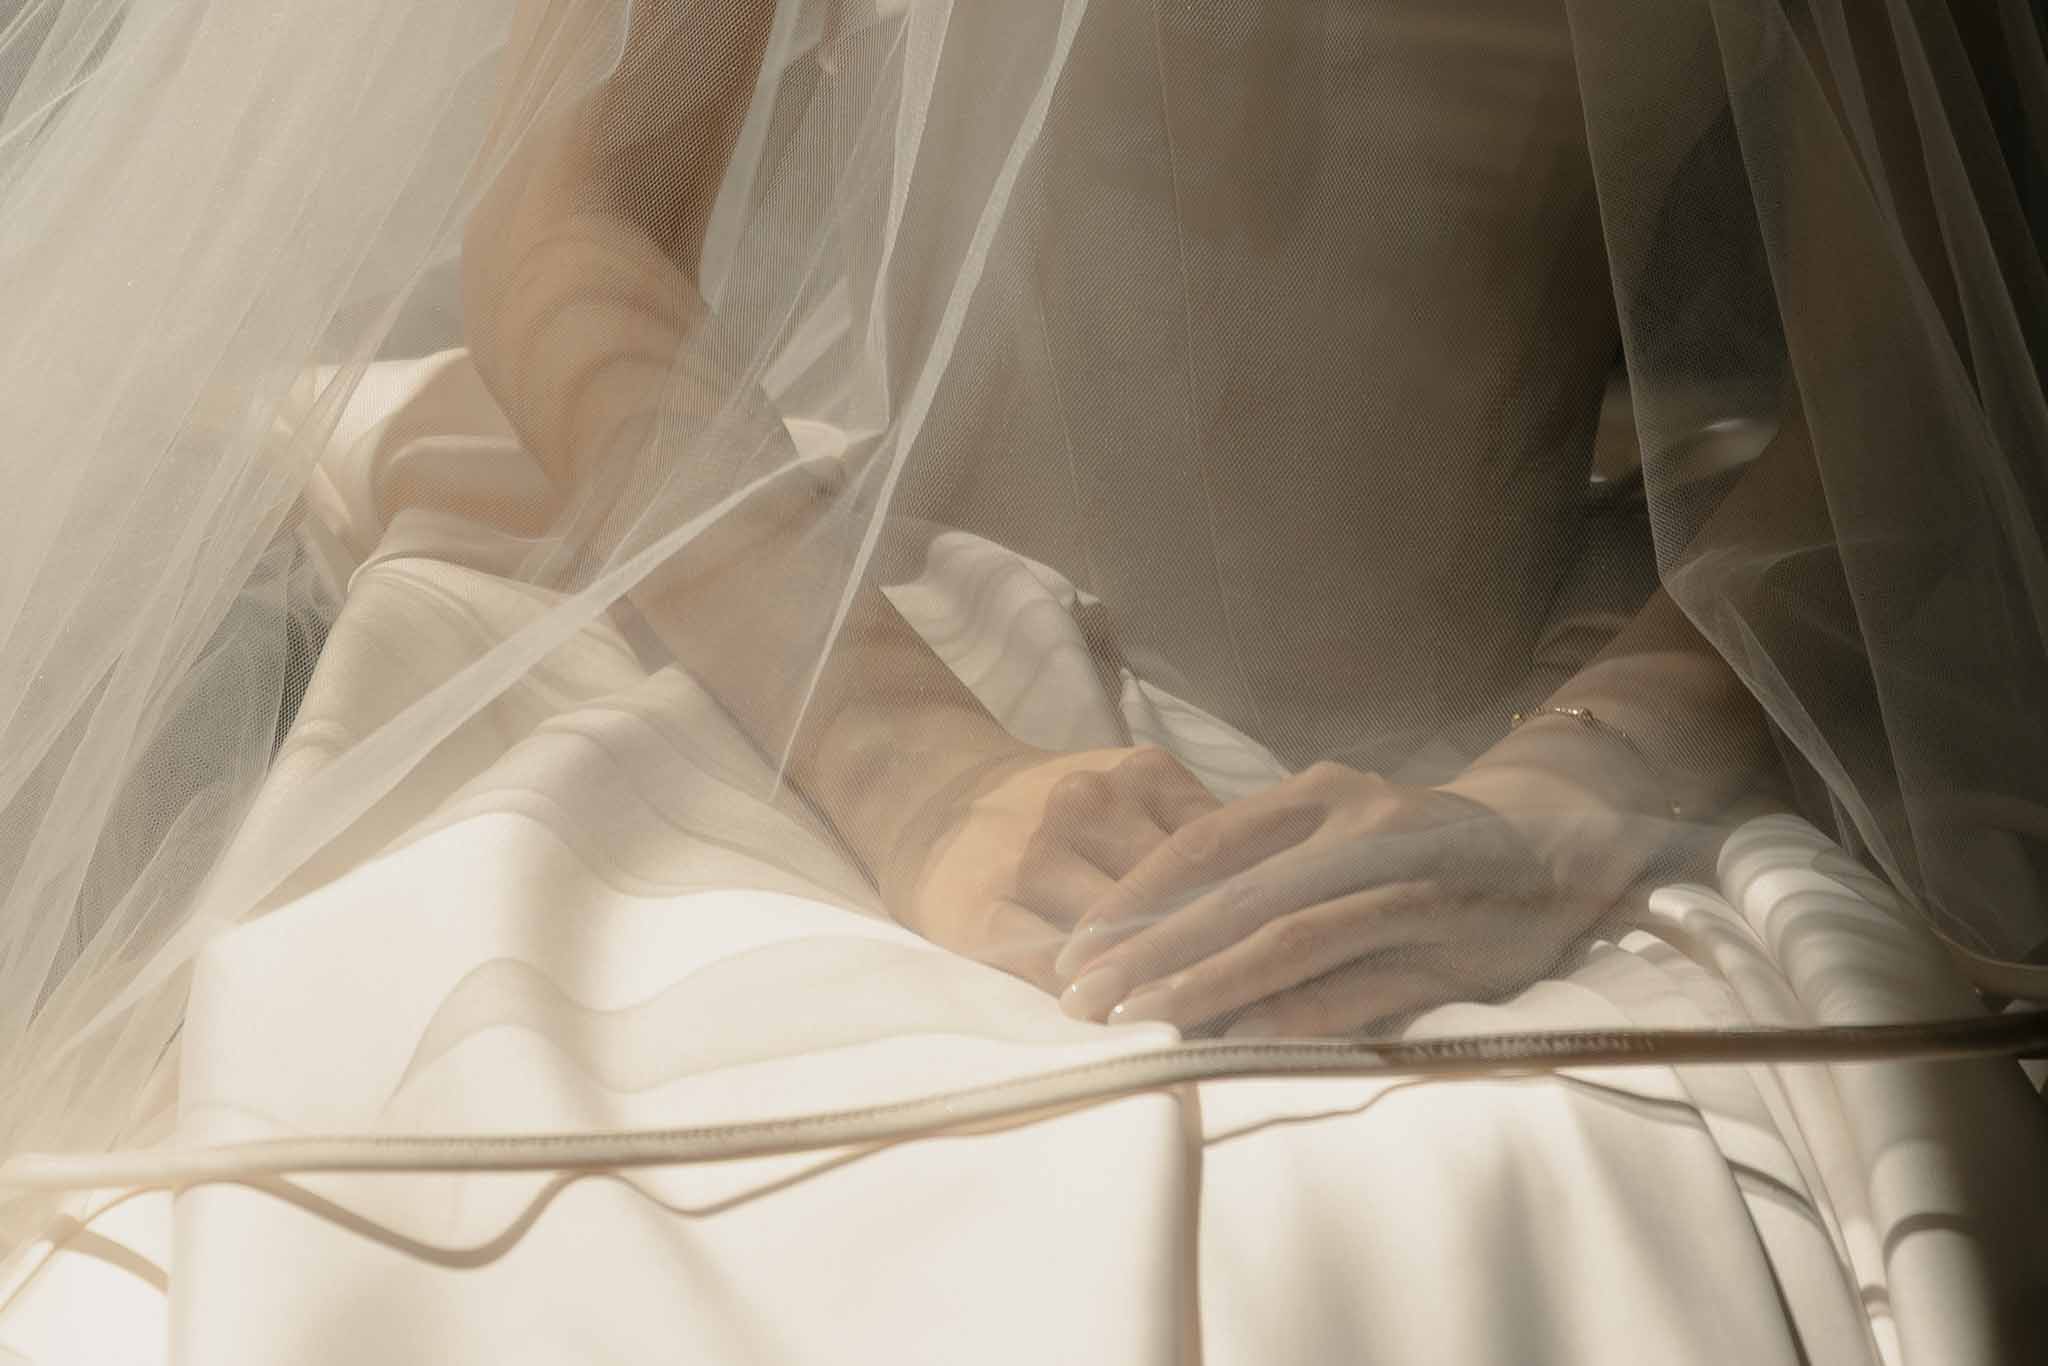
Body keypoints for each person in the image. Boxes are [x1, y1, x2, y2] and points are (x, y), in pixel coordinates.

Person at [460, 0, 1782, 1039]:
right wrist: (914, 770)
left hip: (1552, 746)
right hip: (840, 671)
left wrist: (1571, 795)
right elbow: (572, 211)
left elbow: (1891, 375)